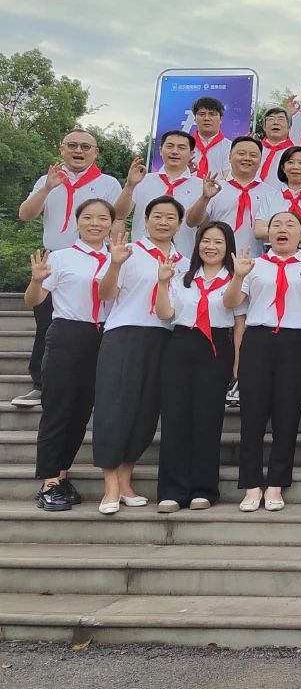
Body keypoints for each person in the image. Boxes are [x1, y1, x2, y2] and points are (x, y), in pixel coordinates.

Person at [15, 129, 123, 408]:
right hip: (55, 260)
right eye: (72, 145)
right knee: (47, 324)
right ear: (61, 149)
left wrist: (117, 256)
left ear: (96, 152)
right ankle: (40, 385)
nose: (78, 151)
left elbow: (116, 220)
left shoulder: (108, 183)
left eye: (85, 146)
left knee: (96, 321)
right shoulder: (47, 179)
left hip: (95, 260)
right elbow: (25, 214)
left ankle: (92, 385)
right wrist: (48, 188)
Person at [222, 211, 301, 513]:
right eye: (276, 224)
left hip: (294, 341)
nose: (282, 229)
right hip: (258, 340)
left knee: (287, 415)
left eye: (290, 225)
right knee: (252, 415)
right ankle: (251, 484)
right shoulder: (253, 265)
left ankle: (276, 483)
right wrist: (238, 275)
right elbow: (231, 303)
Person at [94, 197, 184, 514]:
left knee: (146, 411)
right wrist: (115, 264)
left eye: (170, 217)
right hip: (125, 334)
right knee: (115, 408)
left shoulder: (185, 261)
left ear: (179, 225)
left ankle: (125, 480)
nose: (163, 222)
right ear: (145, 220)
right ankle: (110, 487)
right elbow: (106, 294)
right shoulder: (127, 252)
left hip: (164, 337)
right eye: (157, 216)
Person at [26, 199, 116, 511]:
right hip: (68, 332)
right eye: (88, 217)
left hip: (104, 336)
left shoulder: (117, 257)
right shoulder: (61, 257)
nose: (95, 224)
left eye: (102, 218)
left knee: (81, 410)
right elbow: (34, 299)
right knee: (58, 407)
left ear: (112, 224)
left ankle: (62, 473)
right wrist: (36, 280)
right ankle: (49, 480)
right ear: (77, 222)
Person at [152, 221, 244, 512]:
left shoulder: (236, 278)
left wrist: (237, 362)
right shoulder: (181, 278)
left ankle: (204, 488)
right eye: (206, 241)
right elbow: (165, 313)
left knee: (208, 419)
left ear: (227, 247)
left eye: (218, 242)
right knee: (175, 418)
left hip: (216, 348)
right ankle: (172, 490)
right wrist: (162, 282)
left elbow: (234, 313)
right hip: (180, 345)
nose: (210, 247)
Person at [116, 130, 203, 258]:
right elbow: (119, 214)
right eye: (170, 146)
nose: (175, 151)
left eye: (181, 148)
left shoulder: (202, 186)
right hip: (141, 256)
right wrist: (129, 185)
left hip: (182, 258)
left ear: (191, 154)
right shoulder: (142, 180)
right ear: (161, 150)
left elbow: (197, 223)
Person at [186, 135, 266, 258]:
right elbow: (192, 222)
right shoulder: (214, 188)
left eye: (253, 155)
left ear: (260, 160)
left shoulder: (270, 193)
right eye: (241, 153)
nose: (247, 158)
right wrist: (205, 198)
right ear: (229, 157)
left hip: (256, 262)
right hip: (217, 261)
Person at [254, 146, 301, 252]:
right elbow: (259, 231)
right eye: (290, 162)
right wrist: (296, 235)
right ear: (283, 168)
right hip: (276, 251)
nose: (295, 167)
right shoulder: (271, 196)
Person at [190, 96, 232, 178]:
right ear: (194, 118)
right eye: (202, 114)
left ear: (221, 119)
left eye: (212, 114)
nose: (207, 118)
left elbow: (229, 177)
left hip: (219, 186)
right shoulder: (185, 146)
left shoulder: (230, 147)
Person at [257, 107, 296, 184]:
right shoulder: (255, 149)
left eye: (280, 119)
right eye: (271, 119)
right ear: (264, 127)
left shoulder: (295, 153)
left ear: (289, 127)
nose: (275, 122)